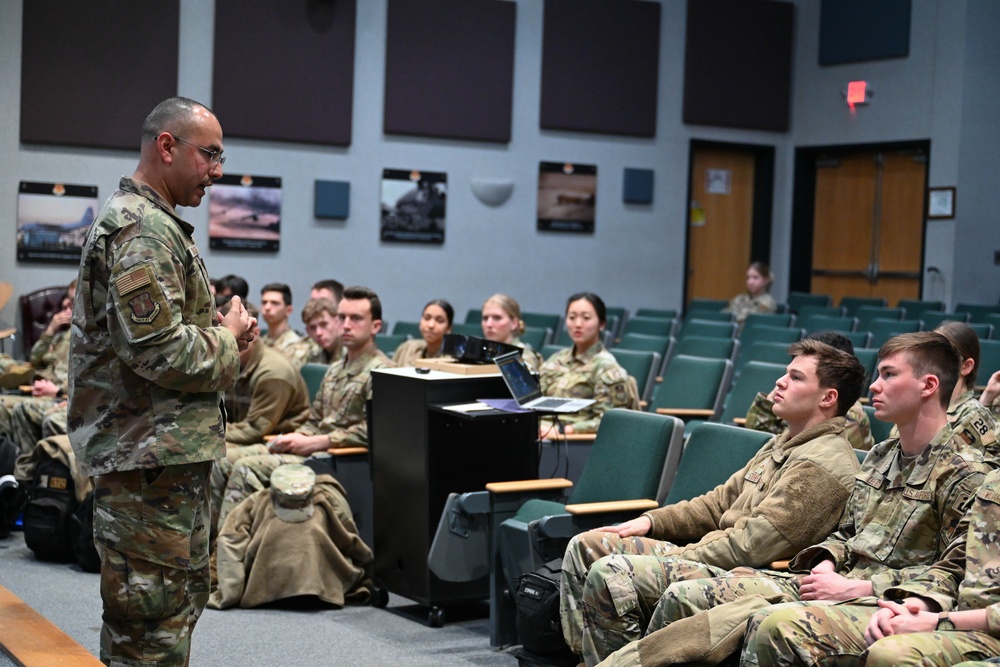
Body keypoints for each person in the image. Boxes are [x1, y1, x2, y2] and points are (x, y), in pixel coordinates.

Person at [593, 332, 992, 667]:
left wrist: (864, 589)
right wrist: (829, 559)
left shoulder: (964, 473)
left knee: (771, 622)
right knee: (686, 596)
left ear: (928, 386)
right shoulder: (880, 457)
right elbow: (848, 532)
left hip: (884, 601)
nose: (874, 385)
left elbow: (951, 573)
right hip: (828, 583)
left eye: (889, 375)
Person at [68, 96, 255, 667]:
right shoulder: (143, 230)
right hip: (146, 461)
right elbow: (157, 348)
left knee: (168, 612)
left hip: (160, 459)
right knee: (148, 627)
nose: (218, 171)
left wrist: (221, 334)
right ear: (167, 146)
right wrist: (227, 336)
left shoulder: (159, 224)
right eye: (211, 154)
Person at [560, 338, 868, 665]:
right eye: (786, 373)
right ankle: (594, 659)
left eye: (796, 377)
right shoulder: (786, 442)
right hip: (712, 551)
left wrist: (680, 553)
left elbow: (751, 546)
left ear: (828, 397)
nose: (780, 381)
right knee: (588, 545)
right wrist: (653, 522)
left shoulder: (823, 466)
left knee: (612, 573)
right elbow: (718, 503)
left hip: (744, 569)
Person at [752, 466, 1000, 667]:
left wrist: (938, 620)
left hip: (968, 621)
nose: (872, 399)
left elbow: (929, 563)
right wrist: (912, 605)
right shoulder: (994, 481)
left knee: (891, 654)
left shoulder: (964, 473)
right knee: (759, 613)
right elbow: (953, 566)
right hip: (917, 601)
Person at [211, 285, 394, 532]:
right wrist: (296, 437)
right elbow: (314, 418)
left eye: (356, 318)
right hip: (313, 450)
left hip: (340, 459)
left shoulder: (383, 373)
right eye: (342, 317)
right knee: (221, 461)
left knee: (245, 469)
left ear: (376, 327)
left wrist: (320, 441)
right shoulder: (336, 369)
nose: (346, 325)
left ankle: (230, 552)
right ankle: (213, 544)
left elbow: (375, 432)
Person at [745, 330, 874, 450]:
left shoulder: (848, 417)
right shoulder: (798, 405)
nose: (779, 381)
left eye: (796, 377)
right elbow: (756, 436)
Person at [537, 293, 638, 436]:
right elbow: (533, 402)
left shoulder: (606, 367)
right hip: (538, 432)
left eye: (586, 318)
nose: (578, 324)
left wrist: (564, 431)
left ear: (601, 324)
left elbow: (609, 421)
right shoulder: (556, 359)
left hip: (570, 441)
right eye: (572, 317)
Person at [221, 301, 310, 447]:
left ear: (255, 334)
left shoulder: (273, 372)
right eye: (226, 334)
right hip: (245, 437)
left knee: (212, 459)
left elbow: (256, 430)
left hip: (277, 442)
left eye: (238, 333)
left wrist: (208, 433)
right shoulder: (227, 363)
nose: (230, 341)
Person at [0, 280, 75, 449]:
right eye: (66, 300)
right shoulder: (59, 336)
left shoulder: (81, 338)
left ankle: (22, 466)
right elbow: (35, 358)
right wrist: (50, 330)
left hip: (56, 392)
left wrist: (57, 391)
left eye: (72, 301)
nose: (66, 305)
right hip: (39, 377)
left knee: (12, 407)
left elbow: (79, 376)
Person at [481, 293, 543, 371]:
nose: (488, 324)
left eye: (497, 318)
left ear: (514, 323)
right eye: (485, 318)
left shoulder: (523, 356)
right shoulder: (481, 352)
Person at [393, 299, 453, 367]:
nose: (431, 325)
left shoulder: (452, 360)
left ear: (449, 328)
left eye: (439, 320)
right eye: (427, 318)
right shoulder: (406, 349)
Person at [258, 282, 306, 364]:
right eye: (264, 302)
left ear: (288, 310)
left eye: (275, 303)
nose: (267, 307)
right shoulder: (260, 342)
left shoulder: (297, 346)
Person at [724, 261, 777, 326]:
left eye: (755, 278)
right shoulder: (740, 298)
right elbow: (725, 316)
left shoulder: (767, 302)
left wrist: (735, 316)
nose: (750, 282)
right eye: (748, 278)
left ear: (765, 280)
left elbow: (749, 320)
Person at [293, 297, 343, 366]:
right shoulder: (313, 356)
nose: (318, 333)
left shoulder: (351, 354)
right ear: (308, 331)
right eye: (313, 328)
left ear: (337, 322)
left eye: (324, 324)